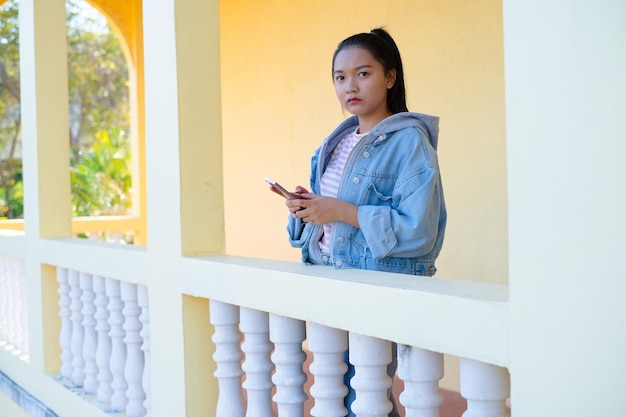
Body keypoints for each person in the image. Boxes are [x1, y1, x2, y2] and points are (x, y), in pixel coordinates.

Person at [278, 28, 447, 416]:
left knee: (366, 398)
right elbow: (318, 233)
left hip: (374, 286)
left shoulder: (410, 142)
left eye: (363, 73)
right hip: (327, 285)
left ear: (390, 78)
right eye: (340, 77)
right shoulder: (332, 146)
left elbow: (419, 231)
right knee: (331, 396)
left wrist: (341, 211)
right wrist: (306, 209)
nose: (349, 86)